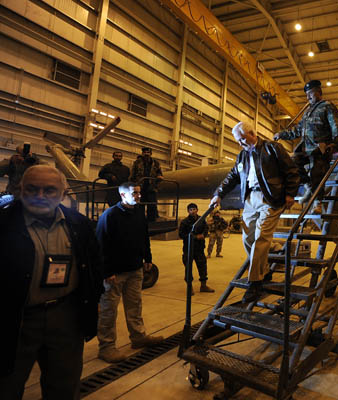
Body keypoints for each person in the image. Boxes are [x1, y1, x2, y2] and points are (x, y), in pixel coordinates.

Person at [0, 165, 103, 399]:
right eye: (32, 189)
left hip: (65, 317)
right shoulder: (3, 224)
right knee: (7, 386)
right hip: (15, 319)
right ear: (20, 190)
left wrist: (93, 300)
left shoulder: (80, 225)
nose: (40, 196)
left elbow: (94, 266)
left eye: (49, 190)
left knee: (64, 386)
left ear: (63, 194)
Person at [211, 121, 299, 303]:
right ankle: (264, 270)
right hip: (250, 199)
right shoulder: (242, 156)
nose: (240, 143)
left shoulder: (272, 148)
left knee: (261, 237)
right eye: (238, 140)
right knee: (247, 238)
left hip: (270, 198)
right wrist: (219, 194)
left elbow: (292, 171)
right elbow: (232, 176)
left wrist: (290, 193)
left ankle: (255, 282)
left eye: (242, 139)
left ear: (252, 134)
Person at [95, 182, 163, 363]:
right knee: (109, 310)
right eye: (134, 193)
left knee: (135, 305)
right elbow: (100, 245)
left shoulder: (139, 213)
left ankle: (138, 337)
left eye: (139, 193)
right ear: (123, 195)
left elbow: (144, 237)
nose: (139, 196)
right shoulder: (110, 215)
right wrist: (107, 271)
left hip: (135, 269)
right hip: (115, 273)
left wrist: (147, 258)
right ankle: (106, 347)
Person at [273, 80, 338, 210]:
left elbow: (335, 125)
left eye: (310, 93)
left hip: (321, 147)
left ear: (318, 92)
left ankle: (318, 203)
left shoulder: (327, 106)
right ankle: (309, 187)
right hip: (305, 147)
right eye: (306, 95)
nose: (308, 97)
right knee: (292, 163)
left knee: (317, 173)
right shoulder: (307, 112)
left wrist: (336, 143)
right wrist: (282, 134)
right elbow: (297, 131)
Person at [178, 203, 214, 294]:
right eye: (191, 210)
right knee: (188, 268)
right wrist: (194, 237)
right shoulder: (184, 222)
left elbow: (206, 229)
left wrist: (203, 235)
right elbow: (181, 234)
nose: (193, 211)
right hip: (189, 249)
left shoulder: (201, 220)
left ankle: (203, 286)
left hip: (199, 248)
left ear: (197, 210)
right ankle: (189, 287)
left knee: (202, 267)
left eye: (194, 209)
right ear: (188, 211)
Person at [130, 147, 163, 222]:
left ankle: (151, 222)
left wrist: (159, 176)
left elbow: (159, 173)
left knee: (152, 206)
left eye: (148, 152)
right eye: (144, 152)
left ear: (151, 154)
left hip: (151, 187)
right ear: (142, 153)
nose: (146, 154)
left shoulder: (156, 163)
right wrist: (134, 186)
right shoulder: (137, 163)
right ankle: (140, 222)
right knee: (139, 206)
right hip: (140, 188)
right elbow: (132, 175)